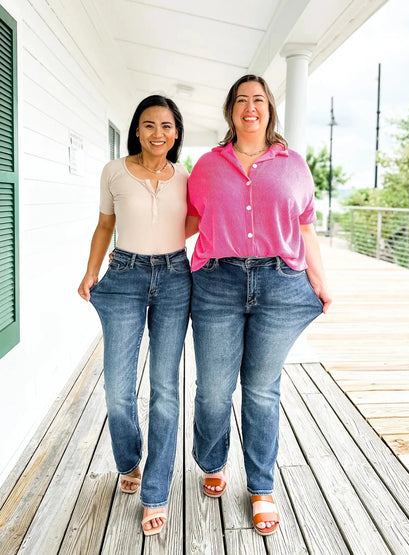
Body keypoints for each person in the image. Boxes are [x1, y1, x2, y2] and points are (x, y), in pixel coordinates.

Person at [186, 75, 332, 536]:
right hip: (217, 283)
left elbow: (306, 230)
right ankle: (211, 460)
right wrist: (139, 249)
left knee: (262, 389)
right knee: (213, 387)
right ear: (231, 111)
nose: (251, 107)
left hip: (279, 283)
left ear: (270, 109)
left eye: (259, 100)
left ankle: (262, 487)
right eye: (242, 101)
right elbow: (190, 219)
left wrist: (321, 283)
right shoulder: (208, 165)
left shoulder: (294, 165)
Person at [78, 95, 193, 536]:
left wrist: (162, 244)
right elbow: (105, 226)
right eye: (149, 125)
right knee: (117, 387)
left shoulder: (185, 175)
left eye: (166, 126)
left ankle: (157, 490)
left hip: (175, 277)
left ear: (176, 132)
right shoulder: (113, 171)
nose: (157, 133)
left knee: (165, 388)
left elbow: (200, 217)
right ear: (137, 130)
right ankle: (129, 460)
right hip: (122, 275)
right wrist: (92, 271)